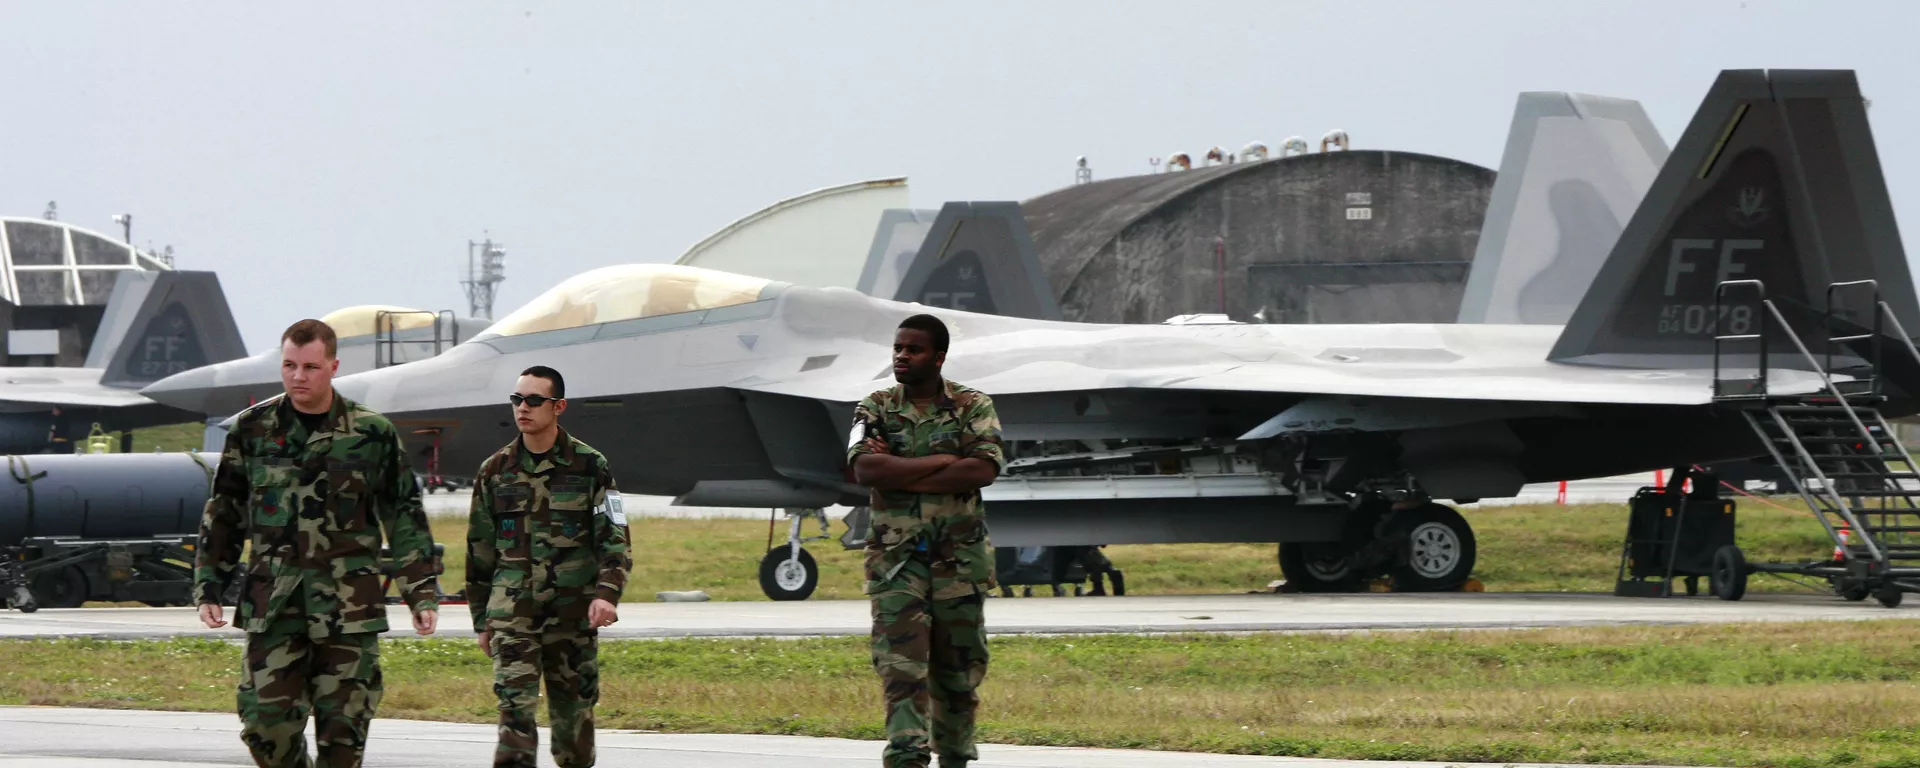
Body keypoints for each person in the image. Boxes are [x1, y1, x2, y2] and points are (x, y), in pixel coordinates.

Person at [193, 318, 441, 768]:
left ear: (332, 366)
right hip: (275, 607)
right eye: (289, 365)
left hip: (349, 612)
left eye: (309, 366)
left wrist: (420, 590)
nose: (298, 376)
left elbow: (403, 513)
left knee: (343, 740)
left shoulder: (372, 434)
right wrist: (210, 583)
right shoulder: (252, 430)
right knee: (265, 727)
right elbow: (225, 511)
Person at [847, 313, 1005, 768]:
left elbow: (983, 470)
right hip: (896, 562)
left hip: (959, 561)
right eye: (898, 348)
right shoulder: (874, 405)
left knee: (959, 672)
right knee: (901, 668)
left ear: (937, 358)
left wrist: (901, 474)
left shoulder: (974, 404)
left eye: (912, 350)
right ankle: (906, 757)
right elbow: (865, 469)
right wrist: (942, 459)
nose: (901, 356)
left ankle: (955, 756)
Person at [466, 365, 630, 768]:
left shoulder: (590, 466)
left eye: (534, 400)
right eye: (517, 399)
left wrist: (607, 594)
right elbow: (479, 552)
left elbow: (615, 536)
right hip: (513, 616)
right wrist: (481, 621)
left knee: (575, 730)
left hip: (572, 618)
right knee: (515, 720)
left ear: (558, 406)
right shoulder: (494, 471)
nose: (523, 408)